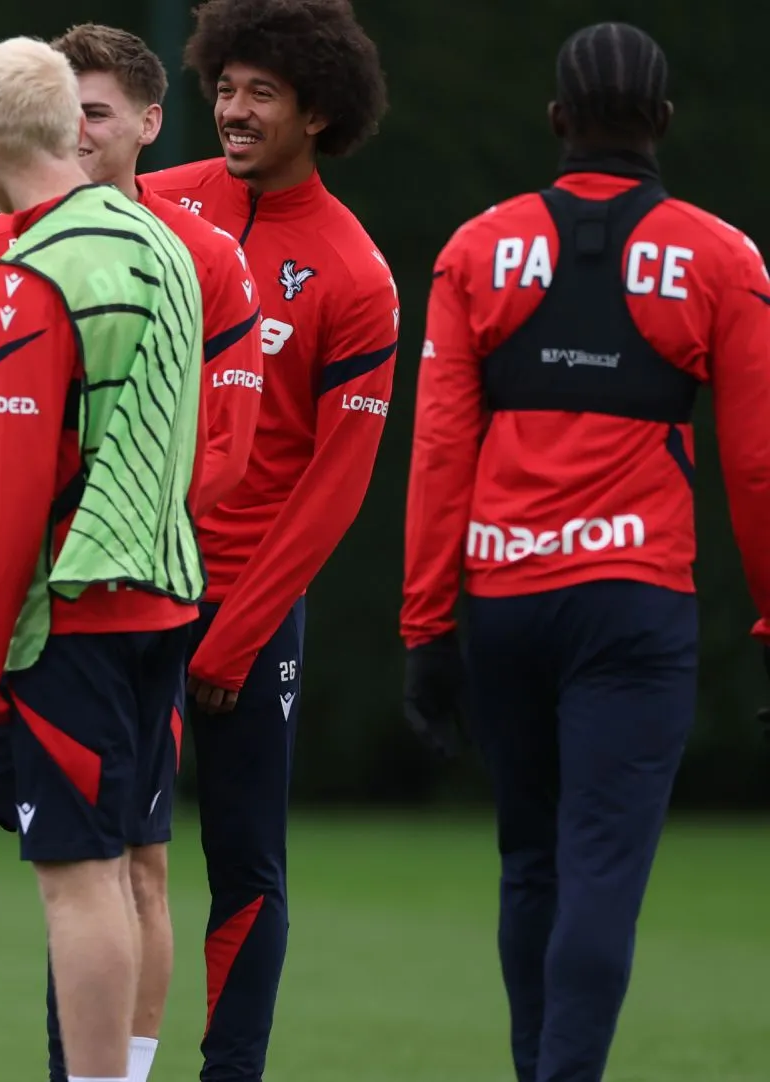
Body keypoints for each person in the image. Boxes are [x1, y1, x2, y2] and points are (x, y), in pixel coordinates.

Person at [401, 22, 770, 1082]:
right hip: (633, 603)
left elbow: (438, 452)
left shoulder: (478, 247)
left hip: (506, 596)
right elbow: (755, 468)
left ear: (558, 120)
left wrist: (425, 624)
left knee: (532, 862)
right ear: (661, 122)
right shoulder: (720, 255)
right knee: (603, 867)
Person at [0, 22, 263, 1082]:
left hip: (74, 609)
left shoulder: (65, 263)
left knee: (93, 869)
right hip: (18, 593)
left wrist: (100, 530)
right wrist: (3, 556)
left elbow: (208, 455)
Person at [137, 2, 395, 1078]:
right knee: (105, 858)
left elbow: (333, 490)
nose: (233, 112)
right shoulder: (152, 205)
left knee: (244, 865)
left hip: (246, 614)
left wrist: (237, 636)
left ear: (319, 113)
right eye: (226, 87)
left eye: (262, 94)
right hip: (128, 587)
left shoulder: (357, 273)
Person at [0, 33, 205, 1082]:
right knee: (129, 869)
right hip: (163, 598)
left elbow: (14, 500)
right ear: (69, 128)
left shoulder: (32, 270)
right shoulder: (164, 246)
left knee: (80, 876)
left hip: (74, 617)